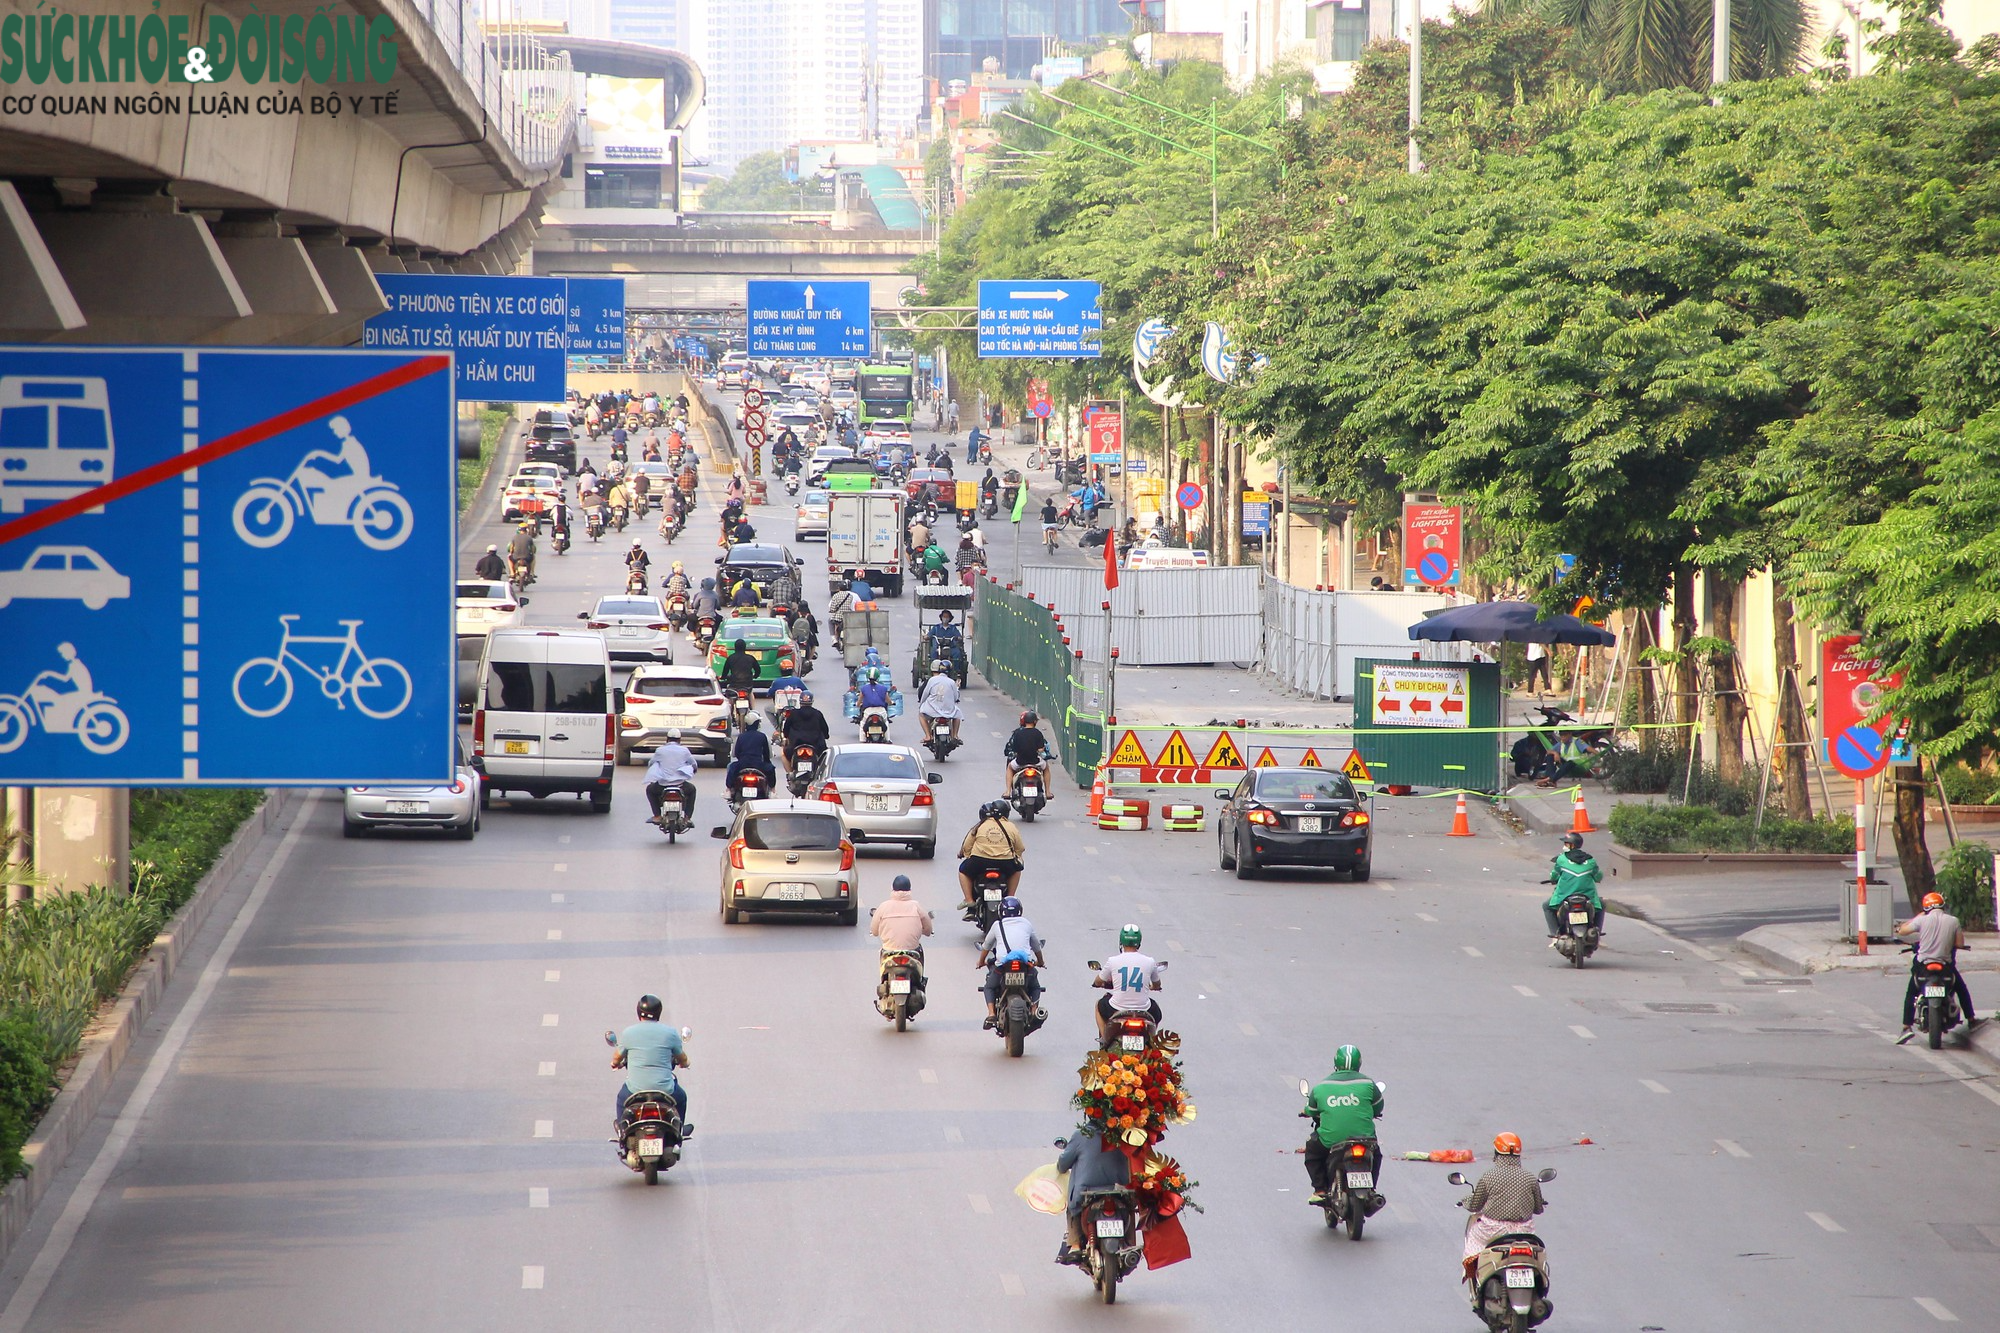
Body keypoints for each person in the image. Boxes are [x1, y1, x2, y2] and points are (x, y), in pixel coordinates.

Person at [1301, 1045, 1387, 1210]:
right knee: (1376, 1155)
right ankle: (1371, 1189)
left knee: (1312, 1151)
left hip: (1332, 1140)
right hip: (1365, 1139)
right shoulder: (1368, 1084)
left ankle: (1319, 1190)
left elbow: (1311, 1110)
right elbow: (1378, 1108)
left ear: (1336, 1063)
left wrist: (1305, 1111)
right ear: (1359, 1063)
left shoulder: (1321, 1087)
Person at [1896, 891, 1979, 1043]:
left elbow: (1902, 931)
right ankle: (1972, 1019)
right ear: (1942, 906)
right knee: (1961, 988)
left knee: (1911, 993)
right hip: (1945, 966)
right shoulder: (1953, 921)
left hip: (1923, 966)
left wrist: (1918, 917)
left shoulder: (1922, 921)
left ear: (1926, 908)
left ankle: (1906, 1027)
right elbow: (1959, 944)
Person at [1461, 1134, 1545, 1283]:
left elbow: (1475, 1205)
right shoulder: (1530, 1178)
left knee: (1473, 1235)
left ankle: (1475, 1277)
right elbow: (1538, 1209)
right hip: (1524, 1232)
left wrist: (1465, 1201)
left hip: (1493, 1230)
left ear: (1497, 1154)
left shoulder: (1489, 1177)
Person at [612, 994, 689, 1135]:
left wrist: (615, 1063)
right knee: (682, 1097)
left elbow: (617, 1056)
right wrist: (685, 1063)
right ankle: (680, 1130)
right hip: (666, 1090)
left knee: (620, 1099)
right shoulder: (670, 1033)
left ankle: (622, 1132)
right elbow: (682, 1057)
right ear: (659, 1012)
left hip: (634, 1090)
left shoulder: (629, 1033)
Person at [1055, 1124, 1131, 1266]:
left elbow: (1063, 1165)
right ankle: (1129, 1244)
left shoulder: (1081, 1135)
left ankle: (1075, 1244)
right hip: (1118, 1190)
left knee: (1073, 1209)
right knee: (1130, 1208)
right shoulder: (1124, 1133)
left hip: (1085, 1192)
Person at [977, 896, 1046, 1029]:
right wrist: (1041, 962)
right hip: (1025, 965)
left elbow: (986, 945)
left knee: (989, 987)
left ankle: (991, 1013)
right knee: (1035, 987)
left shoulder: (997, 925)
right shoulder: (1026, 923)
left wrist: (980, 962)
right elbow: (1036, 946)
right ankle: (1034, 1010)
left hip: (1003, 966)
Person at [1091, 924, 1165, 1045]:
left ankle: (1105, 1038)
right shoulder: (1149, 961)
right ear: (1139, 942)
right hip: (1144, 1009)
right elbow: (1157, 984)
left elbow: (1098, 981)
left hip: (1117, 1007)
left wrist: (1097, 984)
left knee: (1098, 1005)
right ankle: (1152, 1040)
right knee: (1157, 1015)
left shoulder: (1113, 961)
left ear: (1121, 942)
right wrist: (1153, 987)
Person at [871, 874, 934, 1008]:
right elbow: (928, 929)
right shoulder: (916, 906)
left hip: (889, 951)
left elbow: (874, 930)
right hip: (912, 951)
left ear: (893, 889)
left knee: (881, 954)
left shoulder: (883, 906)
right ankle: (920, 981)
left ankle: (884, 984)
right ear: (909, 889)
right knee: (920, 950)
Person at [957, 799, 1025, 914]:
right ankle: (1010, 897)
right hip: (1005, 862)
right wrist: (1017, 856)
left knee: (963, 871)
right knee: (1017, 870)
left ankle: (969, 900)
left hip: (980, 861)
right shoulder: (1011, 826)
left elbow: (967, 846)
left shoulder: (981, 825)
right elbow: (1020, 847)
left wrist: (968, 856)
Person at [1542, 832, 1604, 941]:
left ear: (1572, 845)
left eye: (1566, 843)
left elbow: (1554, 875)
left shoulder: (1561, 859)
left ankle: (1555, 935)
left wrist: (1553, 879)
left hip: (1564, 897)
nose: (1564, 846)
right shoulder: (1590, 861)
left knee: (1546, 906)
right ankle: (1597, 932)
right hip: (1588, 897)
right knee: (1602, 905)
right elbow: (1598, 877)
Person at [643, 729, 698, 825]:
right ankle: (687, 817)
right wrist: (693, 770)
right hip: (680, 785)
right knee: (692, 790)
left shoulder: (660, 750)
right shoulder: (684, 750)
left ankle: (657, 816)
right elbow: (694, 764)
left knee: (650, 790)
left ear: (667, 739)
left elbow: (651, 763)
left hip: (662, 785)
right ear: (679, 740)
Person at [780, 690, 832, 774]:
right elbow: (825, 730)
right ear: (812, 701)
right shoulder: (818, 714)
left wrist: (786, 737)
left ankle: (790, 774)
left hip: (796, 746)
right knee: (826, 758)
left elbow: (786, 729)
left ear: (800, 701)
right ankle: (821, 774)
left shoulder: (793, 714)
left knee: (783, 754)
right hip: (817, 746)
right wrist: (826, 736)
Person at [725, 714, 777, 793]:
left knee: (730, 766)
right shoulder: (762, 736)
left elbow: (736, 753)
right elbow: (767, 754)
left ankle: (728, 790)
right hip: (759, 765)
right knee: (771, 768)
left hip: (742, 765)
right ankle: (772, 790)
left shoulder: (741, 737)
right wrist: (766, 761)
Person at [1004, 711, 1049, 792]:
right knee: (1046, 768)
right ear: (1035, 721)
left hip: (1020, 762)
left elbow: (1015, 750)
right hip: (1035, 762)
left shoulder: (1018, 733)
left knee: (1010, 767)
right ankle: (1048, 792)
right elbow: (1041, 749)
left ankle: (1007, 792)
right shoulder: (1038, 733)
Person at [918, 669, 962, 742]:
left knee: (921, 715)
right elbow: (956, 697)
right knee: (957, 715)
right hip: (948, 711)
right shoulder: (951, 682)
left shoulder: (932, 680)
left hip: (932, 710)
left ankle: (928, 736)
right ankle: (955, 736)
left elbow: (925, 694)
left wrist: (921, 705)